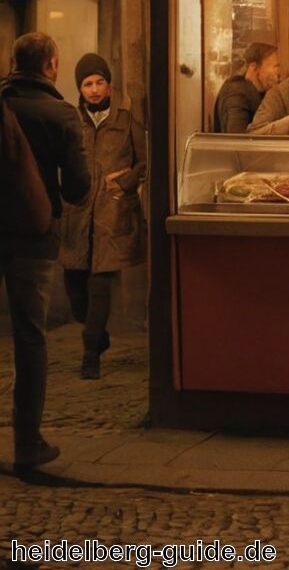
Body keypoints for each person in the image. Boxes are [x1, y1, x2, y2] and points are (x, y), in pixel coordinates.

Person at [0, 33, 90, 472]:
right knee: (29, 337)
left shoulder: (4, 102)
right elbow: (77, 189)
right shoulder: (60, 114)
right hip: (32, 237)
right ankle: (27, 442)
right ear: (52, 65)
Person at [59, 53, 147, 380]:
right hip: (77, 216)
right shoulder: (70, 121)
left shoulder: (127, 122)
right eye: (87, 84)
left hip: (112, 215)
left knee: (99, 287)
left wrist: (125, 181)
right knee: (76, 296)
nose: (94, 89)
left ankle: (90, 355)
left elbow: (145, 161)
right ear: (79, 89)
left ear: (109, 85)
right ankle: (99, 336)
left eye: (99, 82)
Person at [212, 42, 280, 133]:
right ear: (254, 67)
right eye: (275, 67)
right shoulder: (236, 93)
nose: (279, 73)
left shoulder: (263, 93)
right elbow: (236, 137)